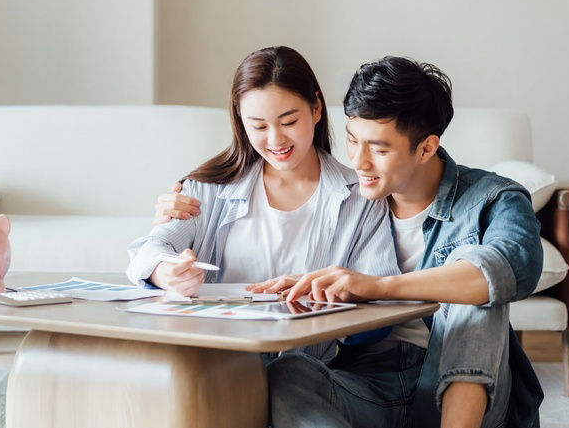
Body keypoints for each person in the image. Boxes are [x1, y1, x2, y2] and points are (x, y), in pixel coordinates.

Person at [158, 56, 544, 428]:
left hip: (462, 383)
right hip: (370, 383)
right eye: (352, 140)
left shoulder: (494, 199)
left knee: (473, 290)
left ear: (425, 147)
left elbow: (512, 268)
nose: (359, 162)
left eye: (378, 149)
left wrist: (378, 286)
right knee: (289, 372)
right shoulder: (350, 200)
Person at [126, 46, 400, 363]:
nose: (275, 141)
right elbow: (150, 249)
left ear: (316, 109)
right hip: (216, 364)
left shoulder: (361, 196)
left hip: (305, 372)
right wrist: (165, 272)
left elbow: (380, 310)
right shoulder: (207, 187)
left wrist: (337, 295)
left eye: (288, 121)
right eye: (258, 126)